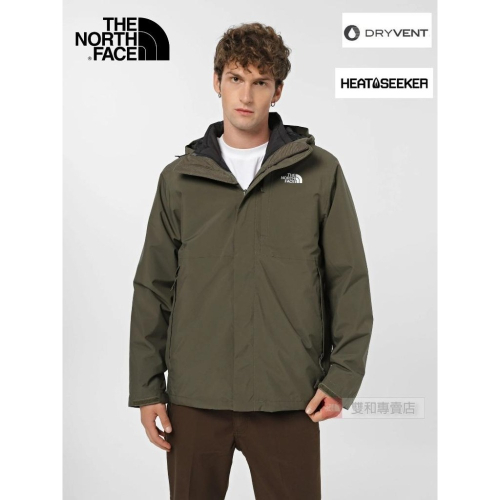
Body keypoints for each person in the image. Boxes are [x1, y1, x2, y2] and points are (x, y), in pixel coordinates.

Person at [128, 22, 374, 499]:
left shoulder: (319, 172)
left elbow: (348, 280)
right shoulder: (179, 180)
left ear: (277, 91)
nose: (246, 95)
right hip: (195, 398)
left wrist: (342, 378)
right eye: (236, 78)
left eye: (261, 82)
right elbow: (153, 286)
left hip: (289, 396)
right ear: (216, 81)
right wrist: (146, 388)